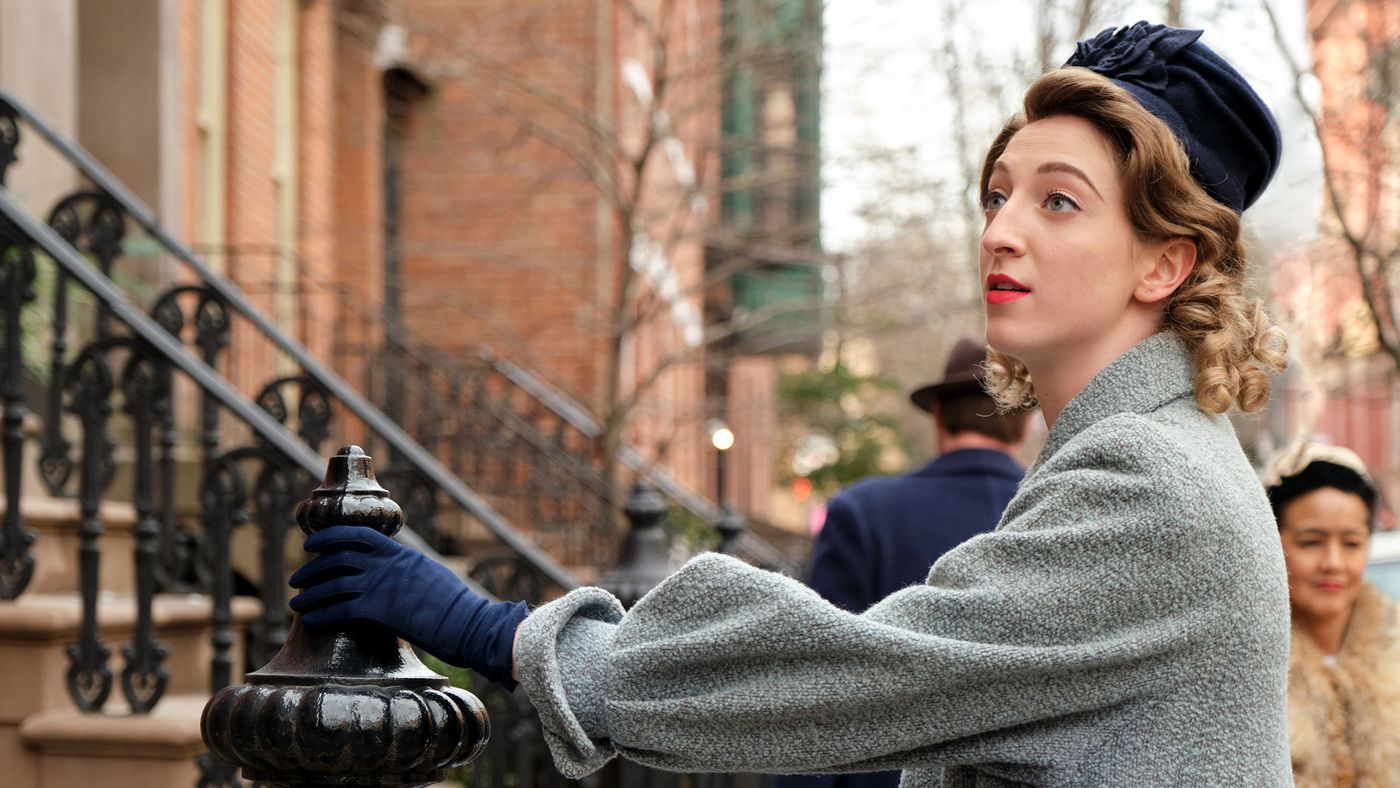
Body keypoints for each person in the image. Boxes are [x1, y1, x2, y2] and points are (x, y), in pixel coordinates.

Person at [289, 22, 1293, 786]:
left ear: (1165, 262)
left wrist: (495, 630)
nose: (999, 230)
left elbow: (855, 673)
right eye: (998, 194)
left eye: (1058, 200)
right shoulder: (1146, 452)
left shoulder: (1150, 484)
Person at [777, 338, 1027, 788]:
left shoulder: (862, 511)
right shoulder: (1056, 515)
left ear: (938, 415)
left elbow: (820, 678)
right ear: (1023, 424)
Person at [1262, 442, 1400, 787]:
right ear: (1271, 541)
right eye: (1311, 542)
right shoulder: (1250, 663)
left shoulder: (1394, 647)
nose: (1334, 563)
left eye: (1351, 543)